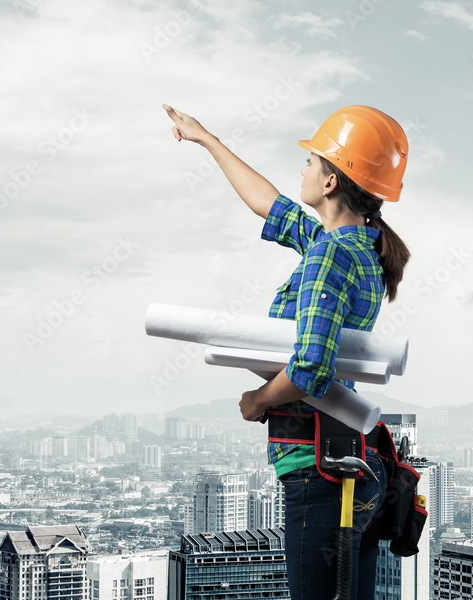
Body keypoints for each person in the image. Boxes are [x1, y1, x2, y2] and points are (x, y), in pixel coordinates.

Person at [163, 103, 411, 600]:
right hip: (354, 467)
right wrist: (207, 139)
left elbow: (312, 368)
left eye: (312, 161)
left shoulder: (329, 253)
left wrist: (258, 401)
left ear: (330, 183)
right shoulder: (357, 246)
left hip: (318, 473)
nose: (303, 168)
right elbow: (269, 204)